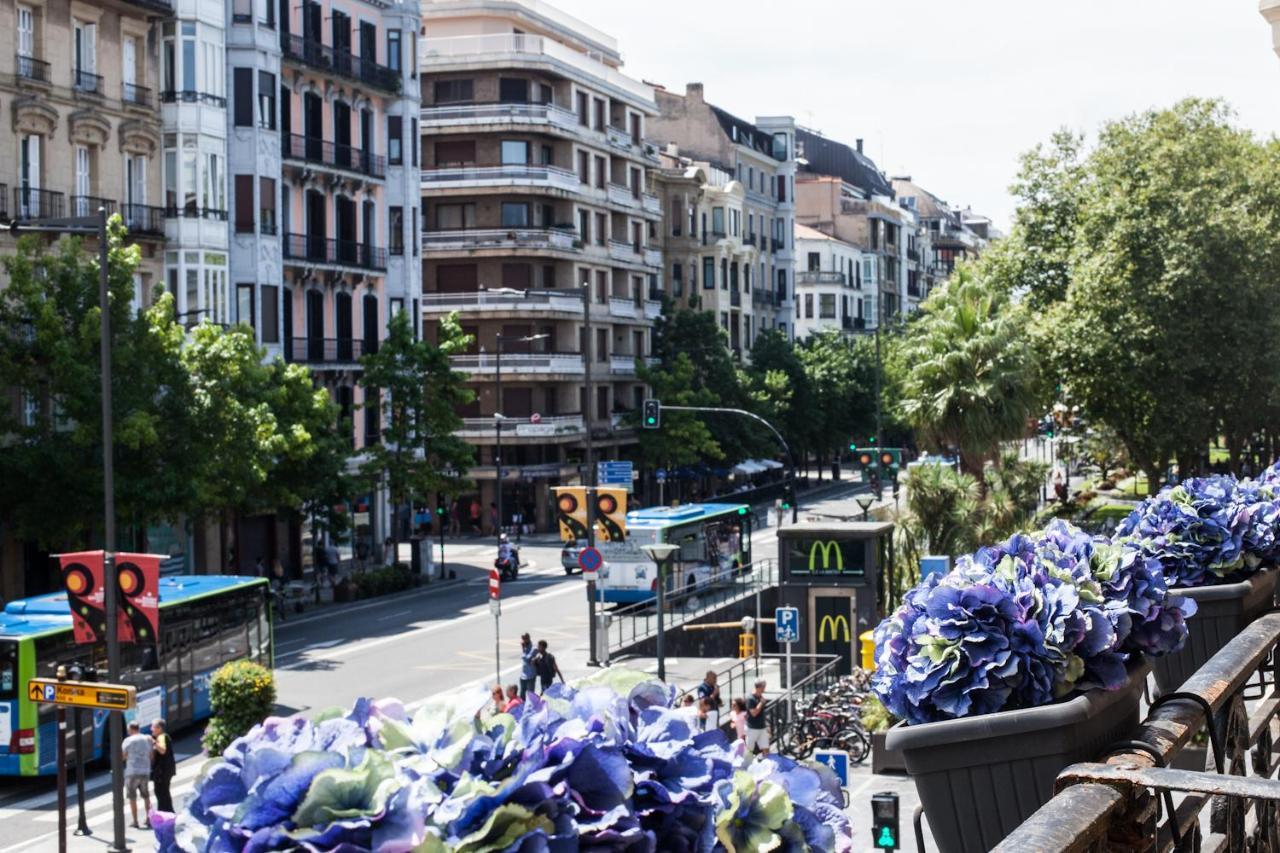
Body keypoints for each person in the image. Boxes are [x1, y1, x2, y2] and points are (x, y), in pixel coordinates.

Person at [122, 721, 153, 828]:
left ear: (130, 729)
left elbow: (123, 756)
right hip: (145, 771)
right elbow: (151, 755)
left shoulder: (127, 740)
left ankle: (135, 821)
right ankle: (149, 819)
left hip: (132, 772)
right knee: (146, 796)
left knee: (132, 797)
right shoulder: (147, 739)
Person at [151, 718, 176, 813]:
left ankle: (164, 813)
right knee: (164, 792)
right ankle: (168, 812)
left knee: (161, 792)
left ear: (159, 728)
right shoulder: (163, 737)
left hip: (163, 770)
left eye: (153, 727)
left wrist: (153, 742)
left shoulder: (161, 737)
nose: (151, 729)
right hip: (166, 770)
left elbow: (162, 750)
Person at [744, 680, 770, 759]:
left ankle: (767, 764)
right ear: (759, 687)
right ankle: (746, 765)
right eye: (763, 687)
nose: (764, 689)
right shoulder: (751, 699)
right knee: (749, 749)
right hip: (752, 728)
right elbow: (754, 713)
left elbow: (762, 713)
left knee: (766, 748)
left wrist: (767, 726)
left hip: (762, 727)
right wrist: (761, 703)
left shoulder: (760, 697)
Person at [519, 634, 537, 699]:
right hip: (523, 676)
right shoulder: (525, 648)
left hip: (530, 676)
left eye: (524, 639)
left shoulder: (534, 648)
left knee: (531, 696)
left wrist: (523, 649)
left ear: (528, 638)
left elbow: (527, 659)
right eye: (522, 639)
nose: (523, 641)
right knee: (522, 695)